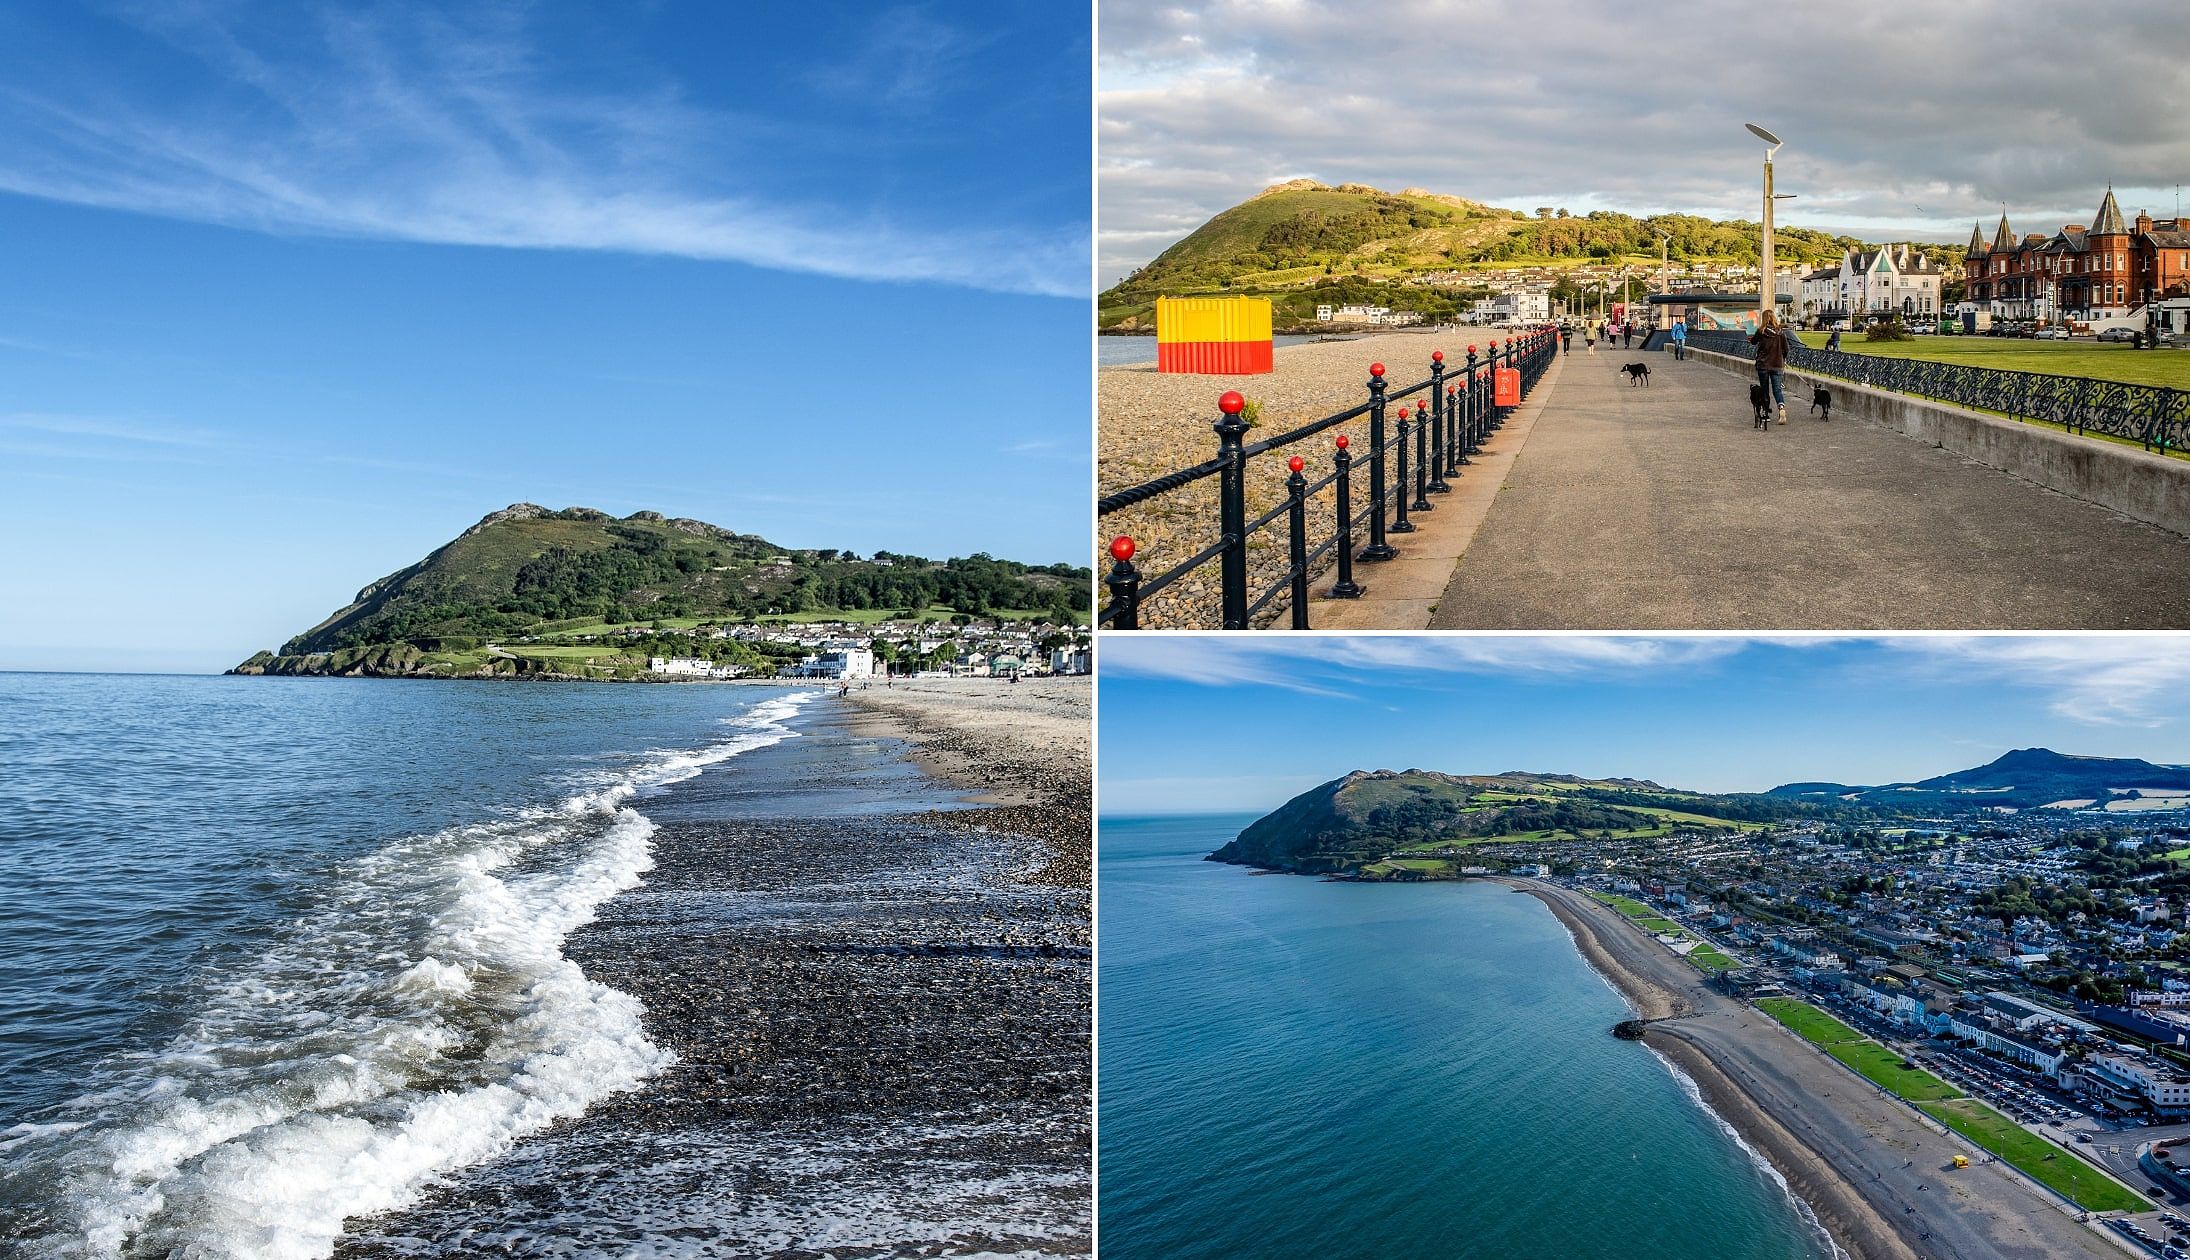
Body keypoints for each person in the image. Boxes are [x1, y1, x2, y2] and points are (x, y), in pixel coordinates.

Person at [1750, 310, 1789, 424]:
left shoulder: (1761, 331)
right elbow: (1786, 349)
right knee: (1777, 389)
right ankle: (1781, 408)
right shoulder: (1780, 332)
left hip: (1763, 365)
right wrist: (1783, 358)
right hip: (1777, 364)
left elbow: (1753, 342)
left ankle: (1766, 414)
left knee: (1765, 390)